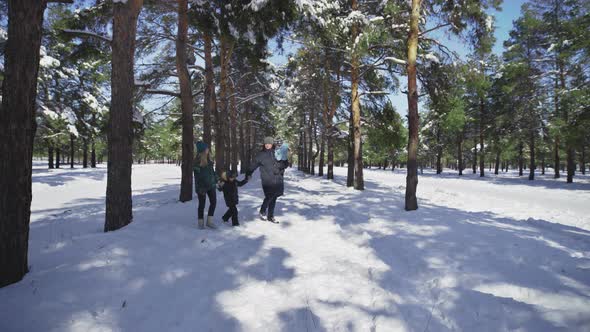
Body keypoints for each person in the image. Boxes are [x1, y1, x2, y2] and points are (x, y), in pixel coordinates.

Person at [246, 137, 289, 223]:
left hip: (277, 178)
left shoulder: (277, 152)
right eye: (266, 143)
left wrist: (282, 165)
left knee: (274, 198)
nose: (267, 145)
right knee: (270, 195)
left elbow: (284, 163)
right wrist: (249, 173)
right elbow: (253, 165)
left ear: (272, 144)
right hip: (267, 179)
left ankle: (270, 216)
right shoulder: (261, 155)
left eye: (269, 143)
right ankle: (262, 210)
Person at [193, 141, 218, 229]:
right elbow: (198, 177)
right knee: (202, 205)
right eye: (207, 148)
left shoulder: (210, 160)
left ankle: (209, 222)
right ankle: (200, 223)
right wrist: (201, 187)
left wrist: (217, 180)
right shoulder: (197, 162)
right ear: (203, 150)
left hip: (211, 186)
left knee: (214, 202)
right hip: (202, 187)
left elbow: (213, 173)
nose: (208, 149)